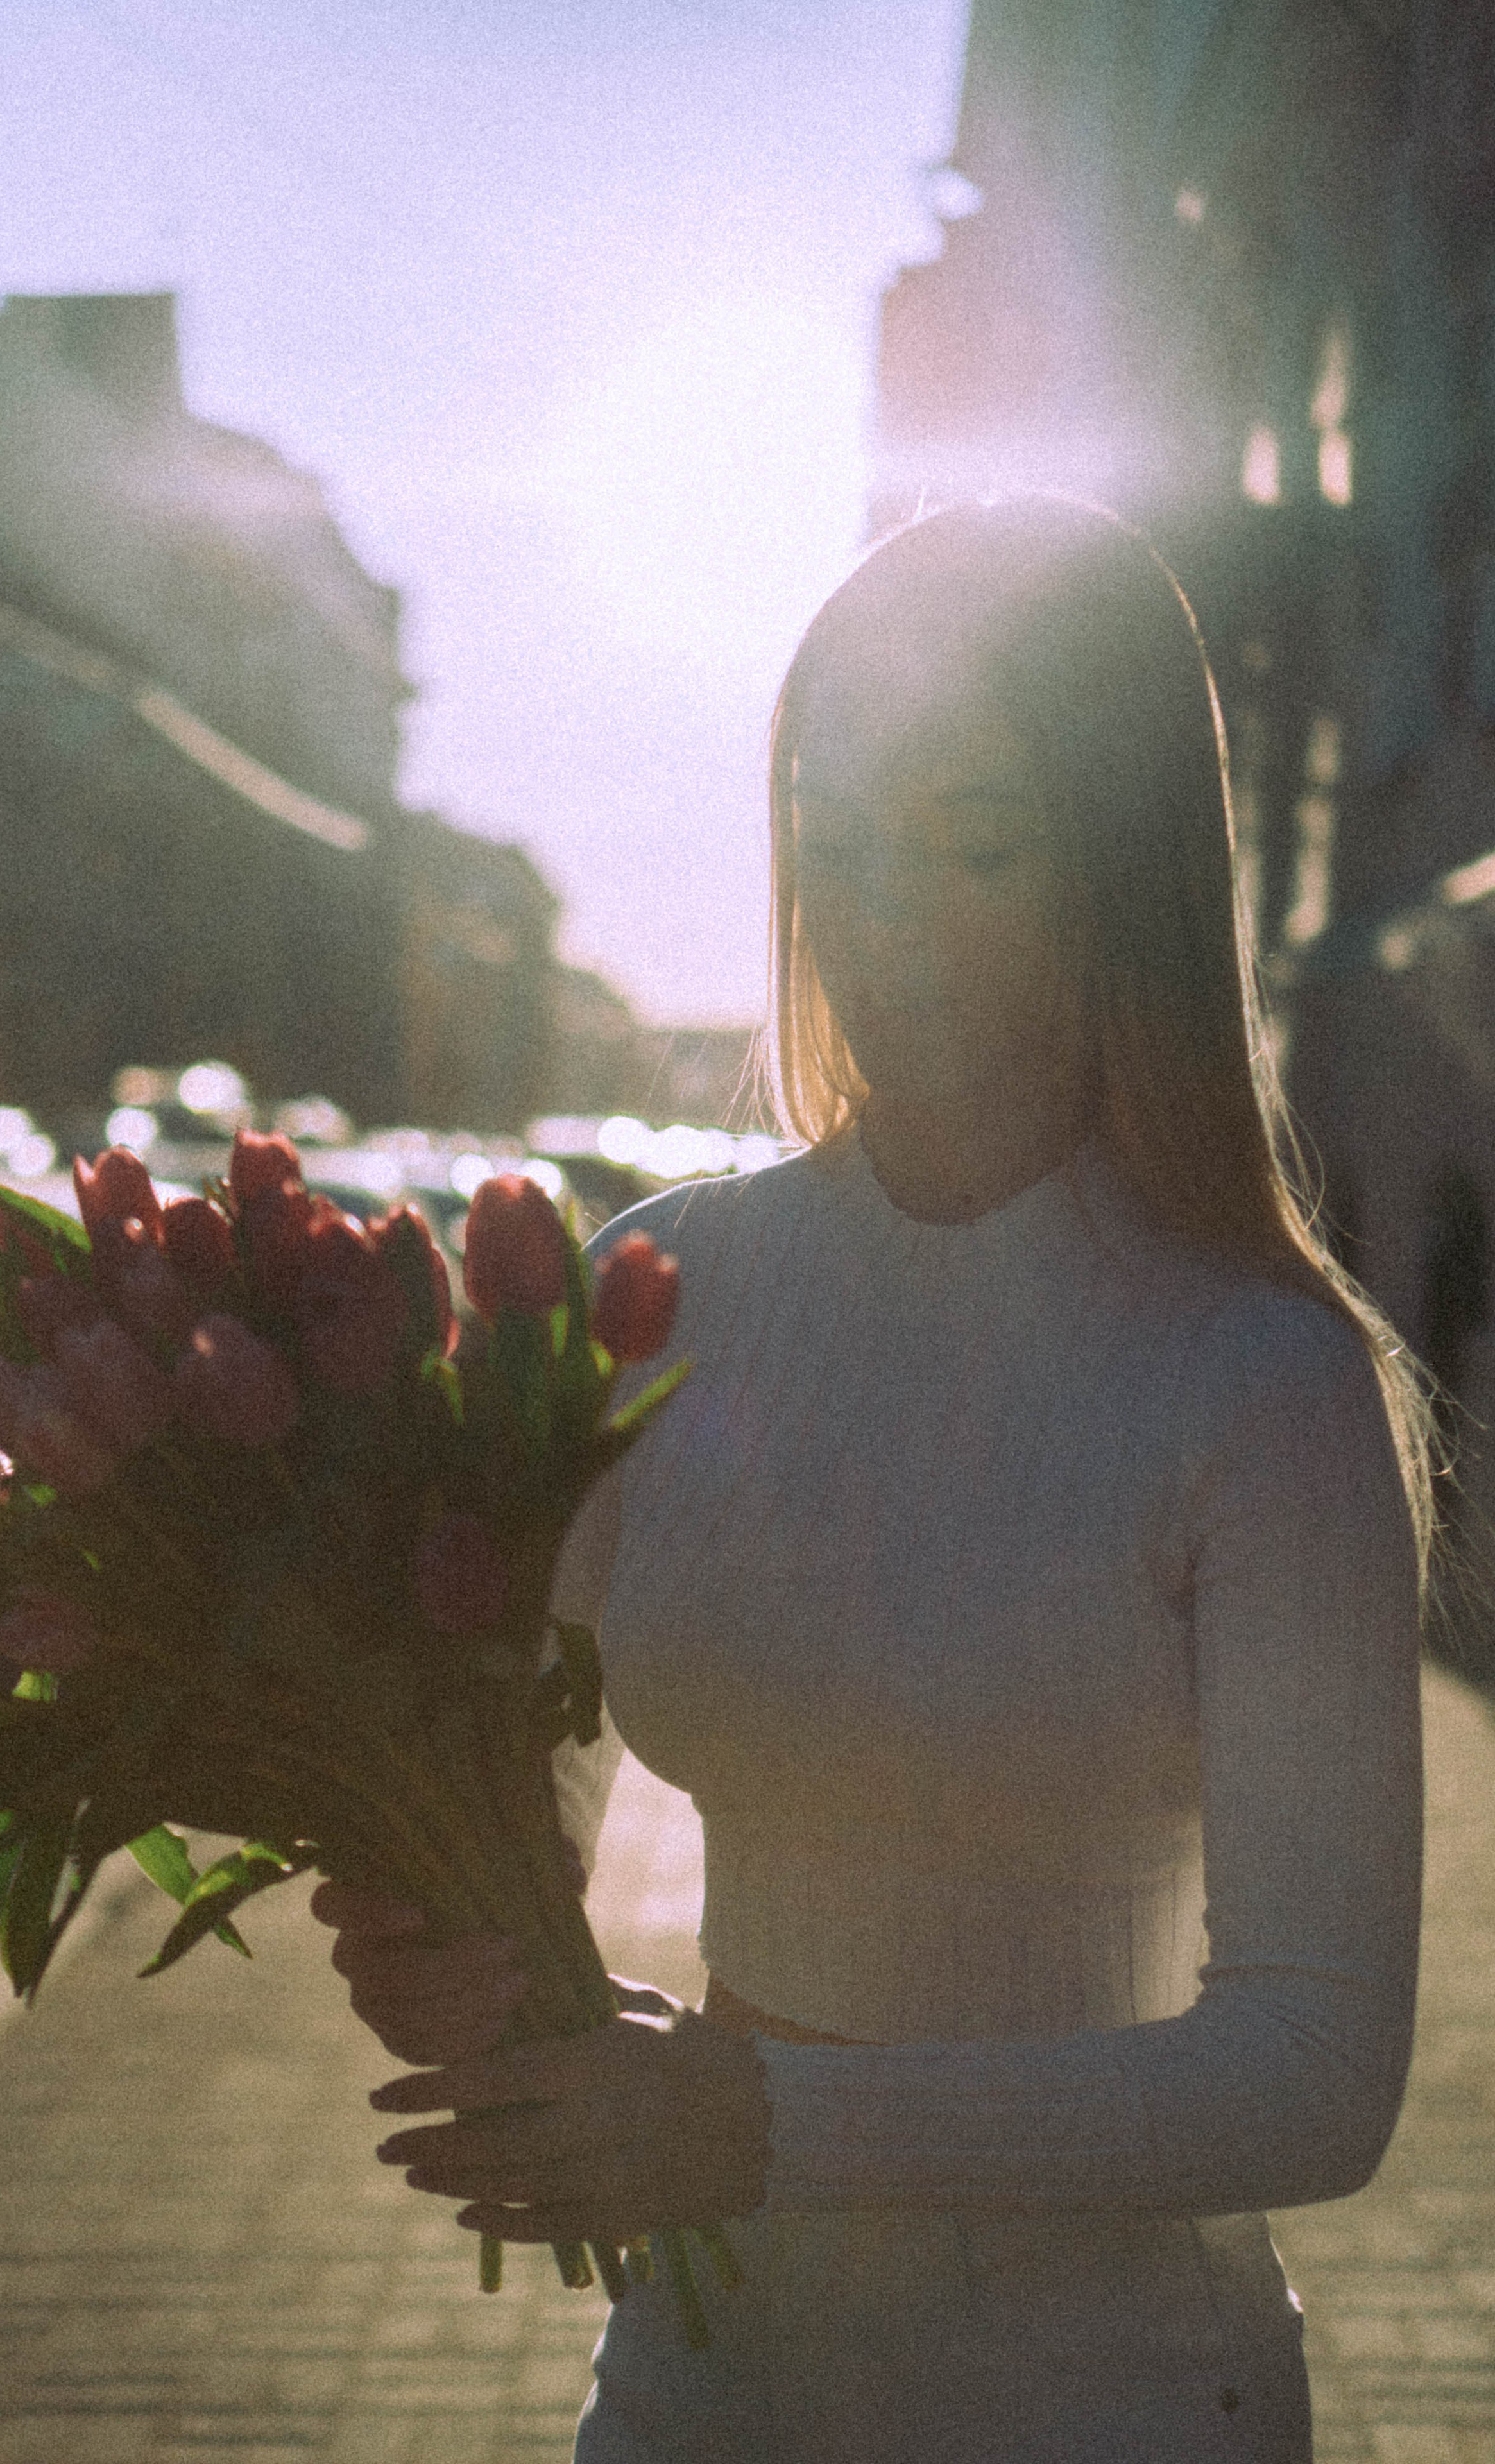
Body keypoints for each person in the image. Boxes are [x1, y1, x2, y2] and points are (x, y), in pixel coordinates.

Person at [312, 497, 1427, 2461]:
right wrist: (462, 1943)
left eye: (974, 838)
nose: (880, 911)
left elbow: (1315, 2077)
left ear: (1124, 863)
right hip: (702, 2378)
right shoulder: (665, 1288)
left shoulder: (1264, 1379)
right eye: (834, 839)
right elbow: (512, 1767)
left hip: (1112, 2398)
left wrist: (759, 2121)